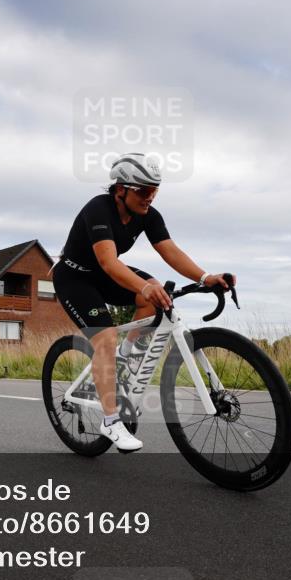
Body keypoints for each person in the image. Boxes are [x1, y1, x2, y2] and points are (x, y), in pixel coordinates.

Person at [54, 153, 234, 452]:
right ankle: (111, 421)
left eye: (155, 190)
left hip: (103, 274)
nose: (150, 197)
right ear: (121, 189)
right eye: (143, 191)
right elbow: (109, 263)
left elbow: (170, 251)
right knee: (106, 336)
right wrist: (143, 287)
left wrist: (205, 277)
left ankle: (124, 361)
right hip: (75, 279)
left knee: (155, 293)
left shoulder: (148, 214)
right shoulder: (98, 209)